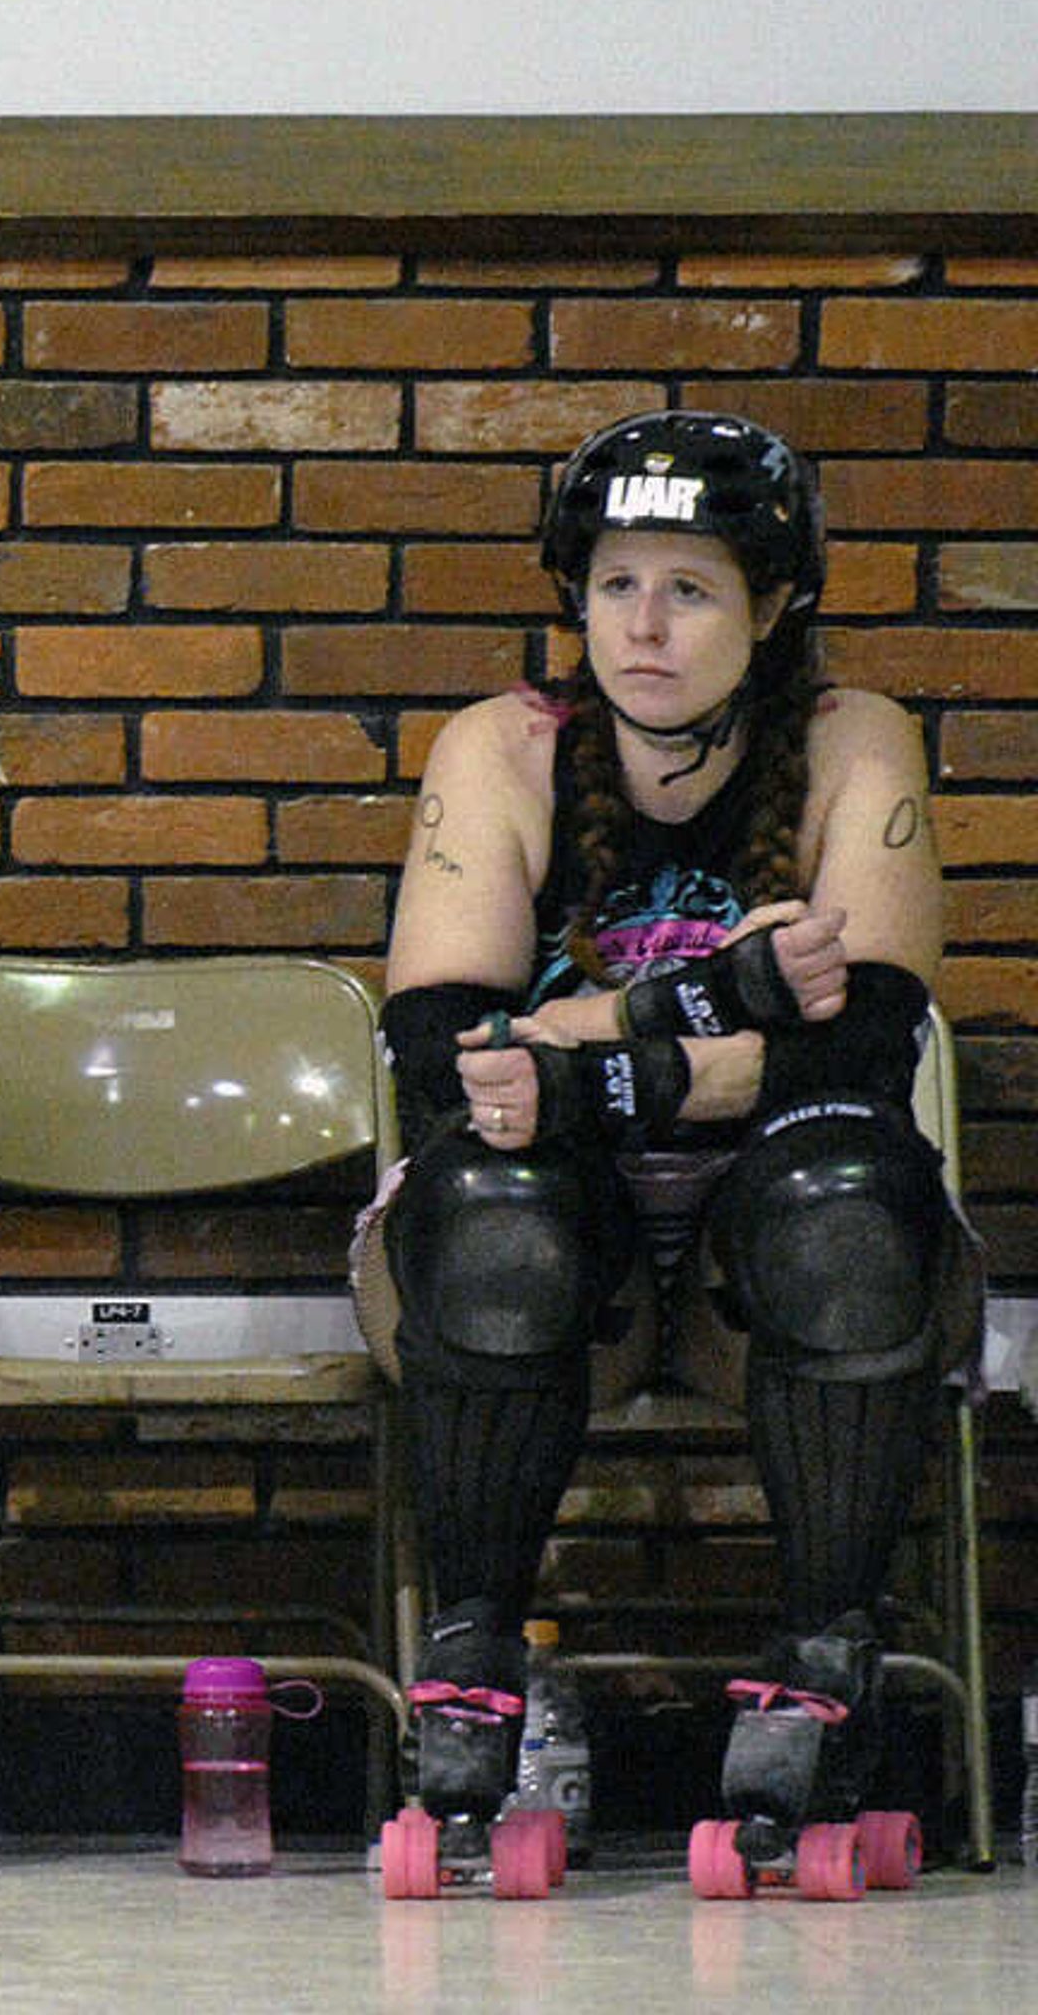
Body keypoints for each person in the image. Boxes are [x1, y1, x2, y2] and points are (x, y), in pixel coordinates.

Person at [364, 409, 953, 1878]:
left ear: (772, 607)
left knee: (846, 1202)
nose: (644, 627)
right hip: (572, 1260)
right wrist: (712, 1009)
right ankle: (473, 1659)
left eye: (690, 590)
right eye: (618, 584)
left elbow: (862, 1046)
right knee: (493, 1210)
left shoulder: (851, 738)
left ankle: (823, 1668)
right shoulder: (506, 747)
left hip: (777, 1252)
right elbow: (448, 1057)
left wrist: (586, 1065)